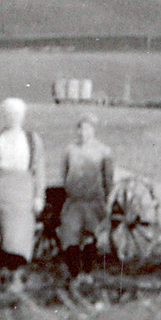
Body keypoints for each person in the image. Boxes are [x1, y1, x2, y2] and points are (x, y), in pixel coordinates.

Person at [0, 98, 46, 293]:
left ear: (23, 116)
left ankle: (16, 277)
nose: (13, 118)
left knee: (18, 236)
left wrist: (38, 196)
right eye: (9, 114)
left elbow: (39, 170)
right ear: (4, 116)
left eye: (17, 114)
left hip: (22, 193)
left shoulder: (32, 139)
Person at [57, 112, 114, 282]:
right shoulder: (70, 150)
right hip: (74, 202)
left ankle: (87, 272)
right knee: (69, 236)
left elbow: (108, 178)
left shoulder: (103, 151)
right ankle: (75, 273)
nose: (83, 133)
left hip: (93, 202)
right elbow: (64, 174)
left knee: (90, 236)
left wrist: (105, 201)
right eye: (80, 129)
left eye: (87, 129)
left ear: (93, 130)